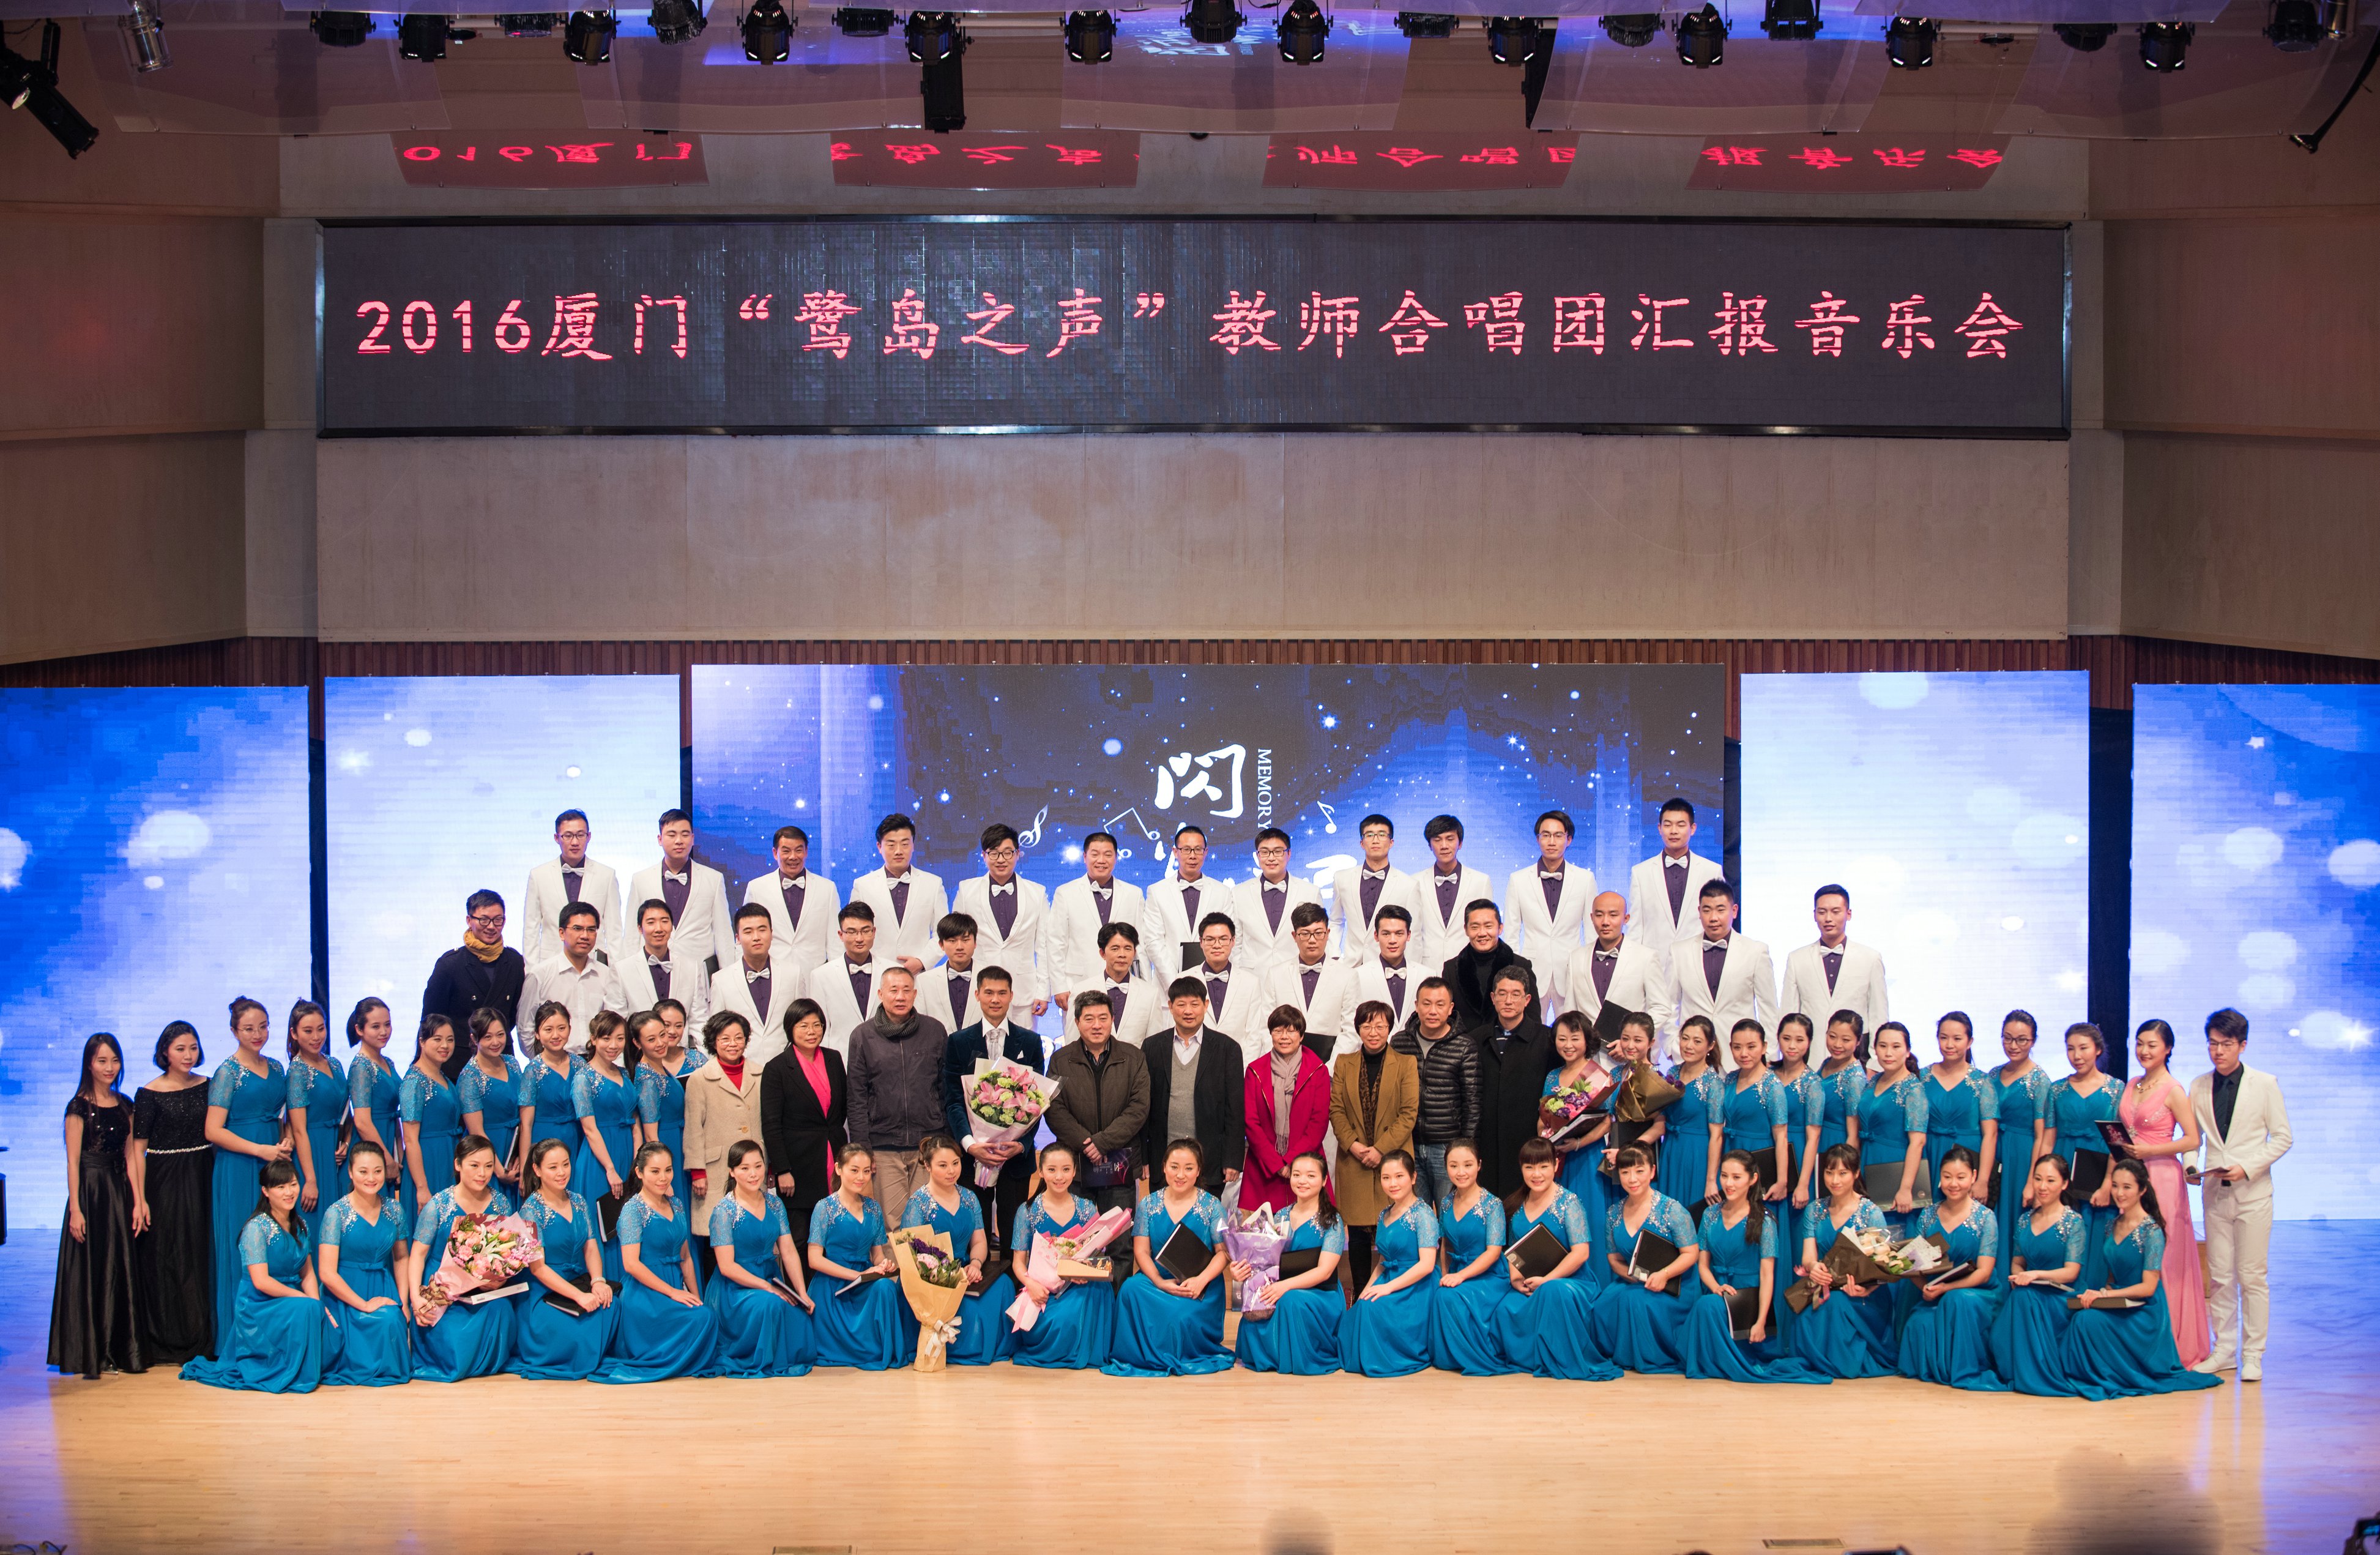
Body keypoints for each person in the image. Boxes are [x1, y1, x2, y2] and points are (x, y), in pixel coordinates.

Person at [2057, 1159, 2225, 1400]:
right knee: (2081, 1315)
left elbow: (2148, 1287)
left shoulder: (2152, 1231)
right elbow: (2112, 1277)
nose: (2119, 1193)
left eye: (2127, 1187)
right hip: (2120, 1303)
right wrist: (2102, 1298)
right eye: (2115, 1186)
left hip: (2144, 1312)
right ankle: (2094, 1375)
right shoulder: (2111, 1225)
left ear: (2142, 1189)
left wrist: (2105, 1295)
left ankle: (2110, 1376)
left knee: (2087, 1322)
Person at [2190, 1006, 2291, 1382]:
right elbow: (2194, 1138)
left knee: (2252, 1277)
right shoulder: (2199, 1085)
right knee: (2219, 1276)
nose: (2218, 1051)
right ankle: (2224, 1351)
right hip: (2215, 1192)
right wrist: (2190, 1166)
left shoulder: (2265, 1084)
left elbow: (2283, 1137)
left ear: (2242, 1045)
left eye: (2226, 1044)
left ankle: (2253, 1354)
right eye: (2212, 1044)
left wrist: (2247, 1167)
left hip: (2253, 1193)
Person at [180, 1160, 334, 1393]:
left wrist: (316, 1301)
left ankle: (306, 1369)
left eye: (293, 1185)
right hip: (259, 1303)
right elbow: (261, 1282)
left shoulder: (301, 1225)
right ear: (266, 1191)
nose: (289, 1192)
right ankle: (291, 1373)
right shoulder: (256, 1228)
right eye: (281, 1187)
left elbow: (308, 1273)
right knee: (308, 1308)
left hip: (290, 1298)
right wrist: (303, 1299)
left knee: (319, 1312)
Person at [1679, 1150, 1829, 1385]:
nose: (1729, 1184)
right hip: (1718, 1290)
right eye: (1724, 1176)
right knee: (1707, 1304)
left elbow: (1768, 1276)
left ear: (1753, 1179)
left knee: (1707, 1307)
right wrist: (1716, 1288)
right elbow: (1703, 1264)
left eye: (1736, 1177)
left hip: (1747, 1297)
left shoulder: (1764, 1221)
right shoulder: (1710, 1214)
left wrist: (1760, 1321)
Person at [51, 1032, 145, 1378]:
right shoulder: (77, 1107)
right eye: (102, 1061)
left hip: (119, 1192)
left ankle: (119, 1349)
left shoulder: (125, 1105)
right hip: (91, 1194)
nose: (109, 1067)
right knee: (92, 1270)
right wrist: (76, 1209)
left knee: (118, 1269)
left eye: (114, 1060)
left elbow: (132, 1157)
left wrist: (139, 1200)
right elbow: (73, 1161)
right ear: (89, 1064)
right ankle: (91, 1351)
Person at [2119, 1018, 2209, 1368]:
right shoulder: (2133, 1084)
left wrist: (2150, 1151)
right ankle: (2138, 1341)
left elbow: (2192, 1139)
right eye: (2140, 1043)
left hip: (2163, 1179)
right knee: (2137, 1256)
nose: (2144, 1051)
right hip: (2132, 1177)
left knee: (2164, 1259)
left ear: (2168, 1049)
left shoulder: (2174, 1089)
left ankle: (2171, 1344)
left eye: (2152, 1045)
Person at [1495, 1137, 1623, 1381]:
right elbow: (1514, 1251)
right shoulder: (1517, 1204)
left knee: (1553, 1292)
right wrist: (1515, 1279)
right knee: (1504, 1307)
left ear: (1555, 1165)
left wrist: (1547, 1280)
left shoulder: (1569, 1203)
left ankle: (1560, 1359)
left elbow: (1581, 1253)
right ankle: (1529, 1360)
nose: (1537, 1174)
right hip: (1530, 1281)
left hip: (1571, 1282)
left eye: (1543, 1166)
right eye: (1530, 1167)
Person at [1102, 1138, 1232, 1377]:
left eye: (1189, 1168)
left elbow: (1223, 1253)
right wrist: (1160, 1282)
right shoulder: (1148, 1204)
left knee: (1178, 1314)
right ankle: (1138, 1354)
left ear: (1199, 1171)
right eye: (1174, 1167)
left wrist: (1200, 1281)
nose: (1180, 1175)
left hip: (1198, 1285)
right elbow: (1141, 1251)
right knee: (1130, 1290)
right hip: (1157, 1278)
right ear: (1164, 1167)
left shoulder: (1213, 1206)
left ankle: (1170, 1352)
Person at [593, 1142, 721, 1382]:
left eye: (668, 1170)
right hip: (644, 1293)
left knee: (705, 1315)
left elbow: (686, 1257)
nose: (663, 1178)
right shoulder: (632, 1210)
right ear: (640, 1173)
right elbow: (631, 1265)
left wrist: (697, 1297)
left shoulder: (677, 1205)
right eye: (655, 1171)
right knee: (701, 1321)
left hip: (674, 1285)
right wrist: (673, 1293)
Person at [204, 996, 289, 1350]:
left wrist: (284, 1139)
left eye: (263, 1027)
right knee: (244, 1248)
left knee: (273, 1246)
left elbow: (282, 1116)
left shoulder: (277, 1067)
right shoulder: (227, 1073)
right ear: (234, 1031)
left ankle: (274, 1337)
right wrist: (260, 1150)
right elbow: (213, 1130)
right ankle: (239, 1340)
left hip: (273, 1161)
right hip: (240, 1167)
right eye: (249, 1029)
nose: (258, 1034)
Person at [939, 965, 1044, 1253]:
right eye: (988, 993)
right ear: (977, 995)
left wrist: (1020, 1144)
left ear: (1011, 996)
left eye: (1001, 993)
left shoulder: (1030, 1041)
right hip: (973, 1158)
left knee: (1015, 1239)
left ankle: (1015, 1280)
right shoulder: (958, 1042)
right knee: (976, 1237)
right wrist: (970, 1145)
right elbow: (954, 1101)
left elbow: (1037, 1103)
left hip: (1015, 1159)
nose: (995, 999)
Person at [130, 1020, 214, 1363]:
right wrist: (139, 1199)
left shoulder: (208, 1085)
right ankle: (170, 1336)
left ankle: (205, 1333)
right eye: (180, 1049)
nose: (188, 1055)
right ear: (165, 1052)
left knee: (203, 1252)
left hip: (204, 1172)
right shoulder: (148, 1093)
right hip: (164, 1179)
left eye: (193, 1048)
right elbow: (137, 1150)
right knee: (169, 1255)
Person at [1895, 1145, 2005, 1391]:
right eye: (1947, 1177)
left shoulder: (1986, 1218)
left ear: (1973, 1177)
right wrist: (1926, 1289)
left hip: (1977, 1293)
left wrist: (1947, 1288)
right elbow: (1913, 1266)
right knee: (1920, 1322)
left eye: (1961, 1177)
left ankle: (1964, 1369)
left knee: (1958, 1300)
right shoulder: (1928, 1216)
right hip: (1937, 1293)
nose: (1953, 1184)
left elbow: (1984, 1272)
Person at [408, 1135, 518, 1382]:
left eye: (489, 1166)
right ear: (458, 1165)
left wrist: (498, 1281)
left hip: (481, 1291)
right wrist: (416, 1297)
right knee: (456, 1344)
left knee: (502, 1311)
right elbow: (418, 1255)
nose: (482, 1173)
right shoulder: (438, 1205)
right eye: (474, 1165)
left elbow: (506, 1253)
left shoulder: (501, 1203)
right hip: (442, 1289)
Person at [901, 1133, 1016, 1365]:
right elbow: (913, 1255)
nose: (951, 1171)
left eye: (955, 1163)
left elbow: (980, 1242)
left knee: (1004, 1284)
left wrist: (975, 1264)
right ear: (928, 1166)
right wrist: (947, 1274)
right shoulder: (918, 1203)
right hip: (933, 1278)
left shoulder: (970, 1198)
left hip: (966, 1271)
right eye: (943, 1165)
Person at [705, 1138, 816, 1378]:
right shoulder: (723, 1212)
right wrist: (767, 1287)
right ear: (732, 1172)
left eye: (758, 1166)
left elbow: (788, 1251)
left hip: (770, 1278)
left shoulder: (774, 1204)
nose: (753, 1174)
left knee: (799, 1314)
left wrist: (801, 1292)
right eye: (745, 1168)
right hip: (735, 1289)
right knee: (771, 1304)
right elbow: (727, 1267)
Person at [845, 965, 949, 1221]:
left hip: (928, 1143)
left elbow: (945, 1089)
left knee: (928, 1219)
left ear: (915, 994)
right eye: (893, 991)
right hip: (883, 1147)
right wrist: (863, 1149)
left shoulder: (935, 1031)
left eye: (906, 990)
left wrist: (946, 1141)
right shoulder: (862, 1036)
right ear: (881, 994)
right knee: (893, 1222)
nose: (900, 997)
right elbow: (857, 1098)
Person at [511, 1137, 620, 1380]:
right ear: (537, 1170)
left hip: (577, 1280)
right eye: (553, 1167)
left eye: (566, 1164)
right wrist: (579, 1297)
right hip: (543, 1292)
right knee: (580, 1333)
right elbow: (538, 1269)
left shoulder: (579, 1201)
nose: (562, 1173)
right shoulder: (530, 1211)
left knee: (611, 1306)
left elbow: (591, 1248)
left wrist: (598, 1281)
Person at [1045, 991, 1151, 1233]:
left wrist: (1103, 1143)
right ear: (1077, 1022)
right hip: (1076, 1165)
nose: (1097, 1025)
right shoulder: (1060, 1060)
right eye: (1089, 1019)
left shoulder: (1134, 1058)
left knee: (1119, 1239)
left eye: (1103, 1018)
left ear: (1113, 1019)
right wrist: (1087, 1144)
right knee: (1075, 1237)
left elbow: (1139, 1108)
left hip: (1119, 1164)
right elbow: (1054, 1109)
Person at [1331, 1001, 1419, 1292]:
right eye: (1367, 1025)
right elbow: (1336, 1110)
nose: (1373, 1032)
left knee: (1392, 1228)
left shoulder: (1405, 1063)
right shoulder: (1344, 1062)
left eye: (1380, 1026)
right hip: (1353, 1159)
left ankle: (1390, 1291)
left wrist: (1381, 1150)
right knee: (1356, 1233)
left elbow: (1409, 1113)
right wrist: (1353, 1145)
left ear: (1390, 1028)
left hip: (1392, 1160)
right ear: (1358, 1028)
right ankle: (1359, 1294)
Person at [1232, 1151, 1344, 1375]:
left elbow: (1325, 1271)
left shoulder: (1332, 1220)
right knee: (1258, 1299)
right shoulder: (1280, 1216)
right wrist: (1240, 1270)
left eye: (1311, 1176)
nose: (1303, 1181)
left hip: (1321, 1292)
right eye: (1297, 1174)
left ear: (1324, 1181)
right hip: (1281, 1286)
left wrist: (1284, 1286)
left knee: (1290, 1300)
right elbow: (1263, 1261)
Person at [1590, 1143, 1699, 1373]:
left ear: (1652, 1171)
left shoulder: (1672, 1210)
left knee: (1635, 1300)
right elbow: (1614, 1260)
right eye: (1625, 1172)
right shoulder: (1613, 1213)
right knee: (1602, 1305)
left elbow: (1691, 1253)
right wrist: (1634, 1277)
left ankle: (1650, 1357)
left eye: (1639, 1171)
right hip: (1633, 1280)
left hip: (1674, 1284)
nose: (1632, 1179)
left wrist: (1663, 1275)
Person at [1791, 1144, 1897, 1379]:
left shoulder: (1870, 1212)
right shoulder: (1815, 1210)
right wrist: (1814, 1268)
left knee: (1837, 1304)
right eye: (1829, 1173)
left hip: (1865, 1294)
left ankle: (1844, 1363)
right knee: (1807, 1314)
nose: (1835, 1180)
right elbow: (1808, 1257)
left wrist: (1866, 1289)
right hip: (1826, 1286)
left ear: (1856, 1174)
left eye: (1842, 1173)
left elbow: (1884, 1265)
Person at [1008, 1143, 1118, 1370]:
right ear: (1041, 1172)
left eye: (1066, 1169)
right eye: (1052, 1170)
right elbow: (1018, 1262)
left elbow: (1097, 1253)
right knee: (1055, 1320)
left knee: (1098, 1290)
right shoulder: (1027, 1211)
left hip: (1079, 1285)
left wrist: (1082, 1271)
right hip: (1043, 1288)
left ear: (1075, 1171)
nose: (1059, 1177)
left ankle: (1085, 1350)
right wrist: (1031, 1285)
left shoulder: (1087, 1208)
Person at [806, 1145, 915, 1369]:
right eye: (854, 1170)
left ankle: (885, 1349)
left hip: (865, 1280)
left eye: (866, 1171)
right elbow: (814, 1260)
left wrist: (884, 1264)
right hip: (834, 1286)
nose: (861, 1177)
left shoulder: (873, 1208)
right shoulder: (824, 1208)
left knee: (886, 1287)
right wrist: (857, 1275)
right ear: (839, 1169)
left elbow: (877, 1255)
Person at [1138, 978, 1245, 1205]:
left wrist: (1233, 1159)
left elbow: (1235, 1110)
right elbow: (1143, 1106)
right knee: (1164, 1219)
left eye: (1195, 1004)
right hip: (1163, 1159)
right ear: (1170, 1006)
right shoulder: (1152, 1047)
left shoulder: (1228, 1049)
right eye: (1181, 1004)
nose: (1188, 1011)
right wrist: (1143, 1157)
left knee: (1204, 1221)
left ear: (1206, 1005)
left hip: (1210, 1160)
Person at [316, 1141, 412, 1386]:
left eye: (378, 1171)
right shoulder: (336, 1214)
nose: (371, 1178)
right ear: (350, 1172)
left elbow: (401, 1258)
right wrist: (364, 1305)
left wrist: (403, 1302)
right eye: (363, 1171)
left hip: (383, 1288)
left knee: (392, 1319)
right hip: (345, 1296)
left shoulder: (395, 1210)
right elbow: (326, 1273)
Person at [1990, 1154, 2087, 1397]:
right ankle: (2020, 1371)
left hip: (2060, 1296)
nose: (2043, 1187)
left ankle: (2033, 1375)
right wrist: (2020, 1276)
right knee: (2021, 1297)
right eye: (2038, 1179)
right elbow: (2017, 1263)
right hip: (2029, 1292)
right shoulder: (2025, 1220)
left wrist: (2034, 1275)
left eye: (2050, 1181)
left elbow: (2071, 1272)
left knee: (2023, 1298)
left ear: (2064, 1184)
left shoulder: (2074, 1221)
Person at [1337, 1149, 1440, 1376]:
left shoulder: (1423, 1214)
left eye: (1399, 1176)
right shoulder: (1384, 1214)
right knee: (1358, 1310)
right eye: (1386, 1178)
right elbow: (1383, 1261)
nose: (1393, 1183)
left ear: (1413, 1178)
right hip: (1389, 1277)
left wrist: (1387, 1288)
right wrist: (1367, 1290)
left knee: (1373, 1309)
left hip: (1416, 1285)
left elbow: (1427, 1265)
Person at [1624, 798, 1724, 1023]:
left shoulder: (1711, 870)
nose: (1674, 831)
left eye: (1681, 825)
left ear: (1693, 828)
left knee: (1698, 1028)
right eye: (1668, 825)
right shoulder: (1641, 872)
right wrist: (1634, 969)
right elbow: (1636, 926)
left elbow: (1717, 923)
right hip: (1656, 966)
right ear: (1659, 829)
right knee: (1654, 1029)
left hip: (1697, 964)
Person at [420, 891, 529, 1080]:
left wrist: (494, 1038)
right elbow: (431, 1020)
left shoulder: (514, 962)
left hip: (501, 1059)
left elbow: (513, 1015)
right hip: (459, 1063)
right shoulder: (450, 964)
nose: (492, 927)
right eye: (484, 920)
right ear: (469, 920)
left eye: (498, 920)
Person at [761, 1000, 847, 1236]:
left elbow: (842, 1109)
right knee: (801, 1234)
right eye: (804, 1026)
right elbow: (771, 1125)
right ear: (790, 1028)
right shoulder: (777, 1068)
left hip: (834, 1154)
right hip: (797, 1167)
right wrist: (782, 1170)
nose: (812, 1032)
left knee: (837, 1230)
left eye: (817, 1025)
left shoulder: (834, 1059)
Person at [1670, 880, 1777, 1070]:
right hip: (1693, 1059)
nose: (1713, 918)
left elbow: (1768, 1009)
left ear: (1734, 911)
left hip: (1741, 1058)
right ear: (1699, 912)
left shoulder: (1756, 951)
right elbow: (1669, 1005)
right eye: (1707, 910)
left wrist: (1769, 1056)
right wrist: (1673, 1049)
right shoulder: (1679, 951)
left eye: (1721, 910)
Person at [1543, 1010, 1616, 1286]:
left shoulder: (1599, 1076)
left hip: (1587, 1159)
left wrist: (1577, 1143)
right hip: (1557, 1160)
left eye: (1575, 1038)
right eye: (1562, 1039)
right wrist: (1546, 1136)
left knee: (1590, 1220)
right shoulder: (1552, 1077)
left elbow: (1607, 1122)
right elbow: (1543, 1117)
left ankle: (1594, 1287)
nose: (1568, 1045)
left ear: (1587, 1040)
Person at [1429, 1138, 1514, 1375]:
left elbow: (1494, 1252)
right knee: (1439, 1292)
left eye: (1467, 1165)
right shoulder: (1446, 1203)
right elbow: (1445, 1244)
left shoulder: (1493, 1205)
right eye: (1453, 1166)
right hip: (1459, 1271)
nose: (1461, 1172)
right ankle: (1450, 1357)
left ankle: (1470, 1356)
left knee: (1450, 1297)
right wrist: (1446, 1274)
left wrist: (1460, 1276)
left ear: (1479, 1165)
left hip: (1489, 1275)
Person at [682, 1011, 765, 1251]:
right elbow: (693, 1129)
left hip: (754, 1165)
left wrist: (769, 1165)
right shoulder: (700, 1079)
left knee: (752, 1231)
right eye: (725, 1039)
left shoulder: (761, 1074)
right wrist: (698, 1171)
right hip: (716, 1169)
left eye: (739, 1038)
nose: (733, 1044)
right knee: (720, 1234)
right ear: (713, 1041)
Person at [1393, 976, 1478, 1209]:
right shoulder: (1400, 1042)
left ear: (1450, 1008)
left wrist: (1464, 1148)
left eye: (1440, 1005)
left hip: (1447, 1146)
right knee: (1414, 1214)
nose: (1433, 1011)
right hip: (1409, 1144)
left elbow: (1473, 1102)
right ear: (1417, 1006)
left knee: (1449, 1212)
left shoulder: (1464, 1045)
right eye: (1426, 1003)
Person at [2047, 1022, 2121, 1283]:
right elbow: (2048, 1139)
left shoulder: (2116, 1089)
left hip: (2098, 1168)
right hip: (2063, 1164)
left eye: (2083, 1048)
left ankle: (2090, 1296)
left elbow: (2117, 1143)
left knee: (2095, 1232)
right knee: (2061, 1230)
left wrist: (2108, 1184)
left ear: (2098, 1049)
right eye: (2071, 1049)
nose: (2077, 1056)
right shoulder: (2056, 1090)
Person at [1473, 967, 1556, 1199]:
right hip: (1486, 1143)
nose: (1508, 1001)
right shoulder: (1476, 1039)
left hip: (1528, 1142)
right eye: (1502, 994)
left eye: (1516, 994)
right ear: (1493, 998)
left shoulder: (1546, 1040)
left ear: (1527, 1000)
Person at [1242, 1007, 1331, 1213]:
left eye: (1291, 1031)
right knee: (1262, 1229)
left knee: (1308, 1226)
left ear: (1301, 1036)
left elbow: (1319, 1123)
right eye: (1278, 1031)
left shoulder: (1318, 1071)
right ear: (1271, 1034)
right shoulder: (1255, 1071)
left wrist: (1293, 1162)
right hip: (1264, 1167)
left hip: (1305, 1166)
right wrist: (1276, 1163)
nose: (1284, 1037)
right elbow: (1251, 1122)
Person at [1046, 831, 1145, 1018]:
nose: (1101, 860)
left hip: (1123, 983)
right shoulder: (1065, 893)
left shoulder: (1134, 894)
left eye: (1108, 855)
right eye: (1095, 854)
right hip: (1077, 984)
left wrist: (1144, 983)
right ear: (1085, 857)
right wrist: (1059, 986)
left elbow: (1141, 945)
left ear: (1116, 857)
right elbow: (1055, 943)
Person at [569, 1010, 638, 1278]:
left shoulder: (624, 1073)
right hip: (599, 1160)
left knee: (627, 1222)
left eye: (620, 1038)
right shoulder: (583, 1078)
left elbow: (634, 1120)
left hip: (627, 1153)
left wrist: (637, 1161)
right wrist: (610, 1169)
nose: (614, 1045)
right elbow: (589, 1129)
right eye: (607, 1038)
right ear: (594, 1039)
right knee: (603, 1226)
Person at [952, 824, 1047, 1015]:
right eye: (994, 853)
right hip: (979, 990)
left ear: (1018, 854)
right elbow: (956, 941)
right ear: (984, 855)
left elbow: (1045, 946)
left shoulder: (1037, 893)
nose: (1001, 860)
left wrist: (1044, 991)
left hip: (1023, 993)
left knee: (1022, 1037)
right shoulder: (967, 891)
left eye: (1007, 853)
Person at [1502, 810, 1593, 1013]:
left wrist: (1587, 971)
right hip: (1532, 971)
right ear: (1538, 839)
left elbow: (1591, 931)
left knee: (1572, 1029)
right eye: (1546, 835)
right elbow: (1512, 932)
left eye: (1558, 835)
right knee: (1530, 1029)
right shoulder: (1518, 880)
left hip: (1571, 971)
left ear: (1569, 840)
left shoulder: (1585, 880)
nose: (1552, 842)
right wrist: (1516, 973)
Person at [1780, 884, 1890, 1042]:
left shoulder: (1870, 958)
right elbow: (1788, 1014)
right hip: (1813, 1049)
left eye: (1836, 912)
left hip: (1856, 1050)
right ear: (1814, 915)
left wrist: (1875, 1055)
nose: (1828, 919)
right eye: (1822, 912)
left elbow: (1879, 1013)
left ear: (1848, 914)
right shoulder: (1797, 959)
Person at [628, 808, 734, 969]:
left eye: (685, 835)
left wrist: (728, 976)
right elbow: (632, 935)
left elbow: (723, 934)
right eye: (671, 835)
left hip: (698, 970)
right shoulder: (641, 879)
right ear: (660, 839)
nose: (679, 841)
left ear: (693, 839)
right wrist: (628, 973)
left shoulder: (713, 879)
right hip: (652, 967)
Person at [1851, 1021, 1930, 1234]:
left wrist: (1906, 1188)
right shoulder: (1874, 1080)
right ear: (1875, 1049)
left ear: (1908, 1051)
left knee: (1893, 1233)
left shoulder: (1913, 1089)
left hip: (1896, 1166)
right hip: (1869, 1160)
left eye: (1896, 1047)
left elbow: (1918, 1142)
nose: (1888, 1053)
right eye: (1883, 1046)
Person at [1988, 1009, 2052, 1269]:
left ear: (2033, 1041)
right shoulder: (1993, 1075)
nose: (2013, 1046)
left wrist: (2032, 1181)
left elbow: (2041, 1136)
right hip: (1994, 1152)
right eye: (2008, 1038)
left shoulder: (2040, 1081)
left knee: (2016, 1217)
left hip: (2022, 1157)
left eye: (2022, 1040)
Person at [848, 811, 948, 974]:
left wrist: (922, 961)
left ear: (913, 845)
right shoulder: (863, 886)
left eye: (905, 844)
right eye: (891, 845)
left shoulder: (933, 884)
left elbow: (944, 933)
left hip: (919, 976)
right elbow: (854, 932)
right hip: (876, 975)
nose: (898, 851)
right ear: (879, 847)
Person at [1564, 892, 1670, 1043]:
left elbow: (1661, 1007)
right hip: (1587, 1053)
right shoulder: (1576, 957)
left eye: (1613, 915)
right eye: (1599, 915)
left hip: (1629, 1053)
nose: (1605, 922)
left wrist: (1632, 1040)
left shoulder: (1646, 957)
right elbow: (1570, 1012)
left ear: (1626, 918)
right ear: (1591, 917)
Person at [523, 808, 622, 966]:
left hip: (594, 964)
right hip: (551, 963)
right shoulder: (539, 875)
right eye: (568, 836)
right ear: (557, 838)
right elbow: (531, 929)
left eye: (581, 835)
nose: (575, 842)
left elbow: (614, 930)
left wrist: (616, 971)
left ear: (589, 836)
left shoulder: (606, 875)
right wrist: (531, 971)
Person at [282, 1001, 345, 1239]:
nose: (317, 1037)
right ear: (294, 1033)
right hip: (313, 1152)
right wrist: (309, 1180)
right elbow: (299, 1130)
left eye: (321, 1029)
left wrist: (345, 1143)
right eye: (308, 1031)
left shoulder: (334, 1063)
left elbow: (346, 1112)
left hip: (336, 1154)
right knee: (318, 1225)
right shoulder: (297, 1072)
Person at [710, 903, 801, 1067]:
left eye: (762, 930)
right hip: (743, 1066)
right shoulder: (721, 980)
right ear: (738, 938)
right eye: (748, 932)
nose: (756, 937)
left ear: (772, 933)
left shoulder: (793, 974)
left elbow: (802, 1022)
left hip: (787, 1066)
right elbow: (717, 1033)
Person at [632, 1008, 707, 1207]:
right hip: (666, 1145)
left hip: (679, 1144)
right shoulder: (647, 1079)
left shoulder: (659, 1066)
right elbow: (650, 1136)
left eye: (662, 1035)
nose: (660, 1043)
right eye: (651, 1040)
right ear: (638, 1043)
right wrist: (663, 1178)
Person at [1922, 1011, 1999, 1201]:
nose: (1949, 1045)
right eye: (1944, 1038)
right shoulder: (1922, 1078)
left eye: (1957, 1039)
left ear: (1970, 1041)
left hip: (1966, 1157)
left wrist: (1982, 1180)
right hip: (1928, 1154)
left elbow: (1990, 1135)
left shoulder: (1982, 1082)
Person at [1714, 1019, 1791, 1207]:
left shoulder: (1772, 1086)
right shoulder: (1731, 1078)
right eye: (1738, 1047)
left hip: (1759, 1157)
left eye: (1751, 1047)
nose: (1744, 1054)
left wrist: (1782, 1180)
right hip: (1731, 1151)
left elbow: (1781, 1136)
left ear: (1764, 1047)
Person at [1262, 902, 1355, 1057]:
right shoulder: (1276, 975)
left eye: (1318, 933)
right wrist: (1278, 1064)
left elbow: (1351, 1030)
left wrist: (1330, 1068)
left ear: (1328, 933)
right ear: (1294, 936)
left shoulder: (1348, 976)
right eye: (1305, 934)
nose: (1312, 940)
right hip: (1283, 1062)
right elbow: (1265, 1027)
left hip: (1330, 1063)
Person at [746, 823, 841, 973]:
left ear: (806, 852)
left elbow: (835, 942)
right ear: (775, 853)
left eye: (799, 850)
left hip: (815, 974)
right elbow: (746, 935)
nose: (793, 857)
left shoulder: (827, 888)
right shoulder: (757, 888)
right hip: (773, 974)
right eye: (786, 851)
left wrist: (838, 976)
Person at [1143, 824, 1233, 980]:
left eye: (1198, 850)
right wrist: (1175, 984)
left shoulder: (1222, 892)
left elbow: (1228, 938)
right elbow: (1153, 942)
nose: (1193, 856)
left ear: (1206, 852)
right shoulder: (1157, 891)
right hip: (1168, 984)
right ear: (1175, 852)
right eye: (1186, 849)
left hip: (1212, 981)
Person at [1328, 813, 1419, 967]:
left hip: (1389, 967)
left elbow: (1414, 933)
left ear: (1391, 842)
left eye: (1382, 835)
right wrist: (1334, 956)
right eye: (1370, 835)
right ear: (1362, 843)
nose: (1375, 840)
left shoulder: (1408, 885)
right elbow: (1336, 920)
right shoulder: (1342, 879)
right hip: (1351, 966)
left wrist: (1409, 970)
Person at [457, 1007, 529, 1193]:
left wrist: (522, 1155)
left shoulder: (512, 1063)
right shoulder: (470, 1077)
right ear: (475, 1039)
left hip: (516, 1148)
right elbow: (477, 1131)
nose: (496, 1042)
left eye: (500, 1035)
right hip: (487, 1152)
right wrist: (499, 1171)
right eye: (488, 1037)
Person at [1229, 827, 1318, 975]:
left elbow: (1318, 939)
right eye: (1264, 852)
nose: (1271, 858)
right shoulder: (1239, 893)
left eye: (1278, 852)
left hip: (1296, 974)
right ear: (1257, 856)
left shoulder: (1310, 892)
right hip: (1252, 976)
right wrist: (1239, 976)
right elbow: (1235, 943)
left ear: (1289, 854)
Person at [803, 901, 889, 1054]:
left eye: (865, 931)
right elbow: (820, 1027)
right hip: (841, 1058)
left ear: (874, 932)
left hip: (885, 1057)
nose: (859, 938)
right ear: (841, 935)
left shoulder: (891, 971)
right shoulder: (821, 976)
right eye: (852, 932)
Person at [1411, 815, 1493, 975]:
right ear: (1430, 845)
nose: (1444, 846)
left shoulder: (1481, 881)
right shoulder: (1415, 882)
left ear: (1460, 843)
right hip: (1427, 967)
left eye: (1450, 839)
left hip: (1469, 968)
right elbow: (1413, 931)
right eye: (1437, 840)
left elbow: (1485, 929)